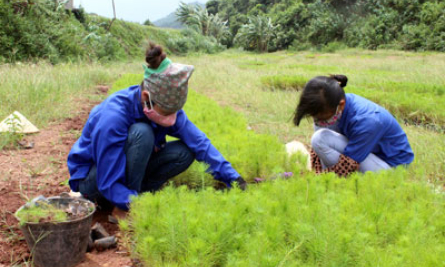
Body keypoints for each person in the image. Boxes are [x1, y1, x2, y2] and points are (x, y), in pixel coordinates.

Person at [67, 43, 246, 214]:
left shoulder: (164, 109)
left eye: (175, 112)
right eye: (166, 112)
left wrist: (233, 178)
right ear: (146, 97)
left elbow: (199, 142)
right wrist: (143, 207)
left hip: (123, 172)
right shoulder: (113, 116)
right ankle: (126, 204)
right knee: (142, 133)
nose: (171, 119)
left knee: (185, 152)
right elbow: (107, 180)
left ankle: (133, 196)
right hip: (96, 179)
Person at [293, 75, 414, 177]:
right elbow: (317, 151)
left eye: (322, 118)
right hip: (367, 155)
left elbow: (348, 165)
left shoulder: (367, 120)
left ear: (341, 104)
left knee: (320, 138)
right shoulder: (334, 104)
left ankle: (334, 183)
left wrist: (317, 178)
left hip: (390, 169)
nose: (319, 121)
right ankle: (329, 178)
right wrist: (317, 170)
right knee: (320, 137)